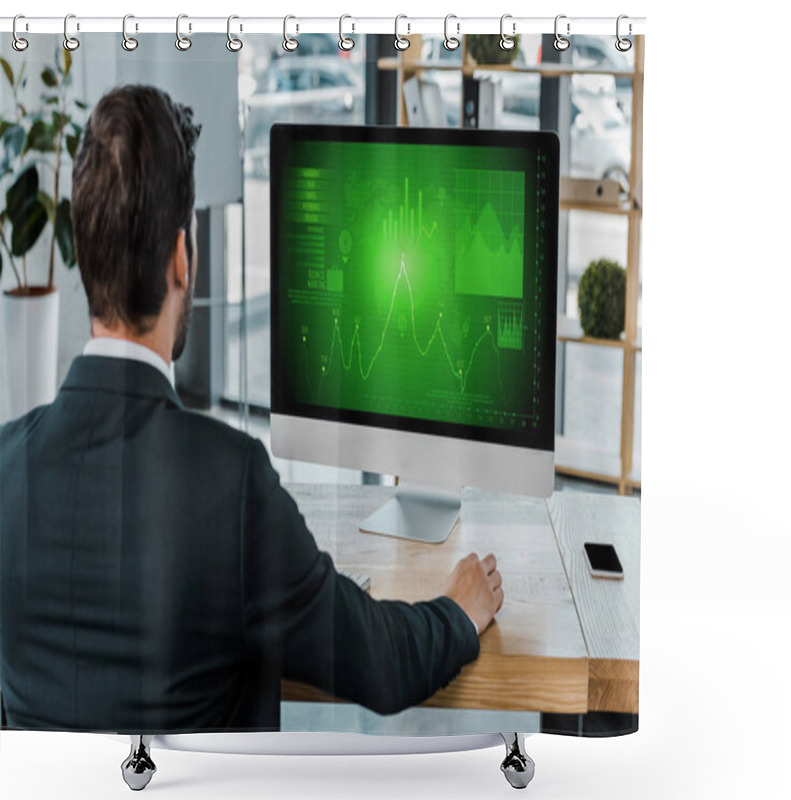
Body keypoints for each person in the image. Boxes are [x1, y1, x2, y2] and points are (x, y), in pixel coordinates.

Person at [0, 85, 503, 733]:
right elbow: (380, 663)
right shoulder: (229, 481)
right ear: (182, 259)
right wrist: (458, 611)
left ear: (84, 256)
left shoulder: (6, 467)